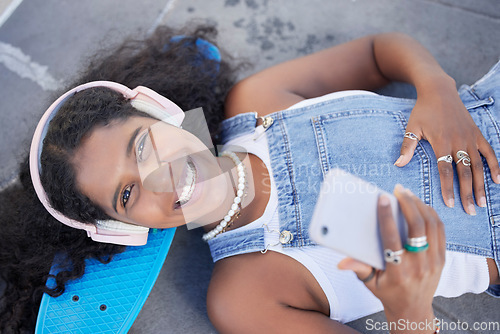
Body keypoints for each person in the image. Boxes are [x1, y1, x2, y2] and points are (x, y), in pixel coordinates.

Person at [1, 24, 499, 333]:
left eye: (143, 145)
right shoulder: (243, 295)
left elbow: (377, 51)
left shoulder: (255, 102)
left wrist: (438, 91)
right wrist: (407, 306)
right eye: (127, 194)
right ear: (121, 229)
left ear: (159, 110)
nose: (160, 179)